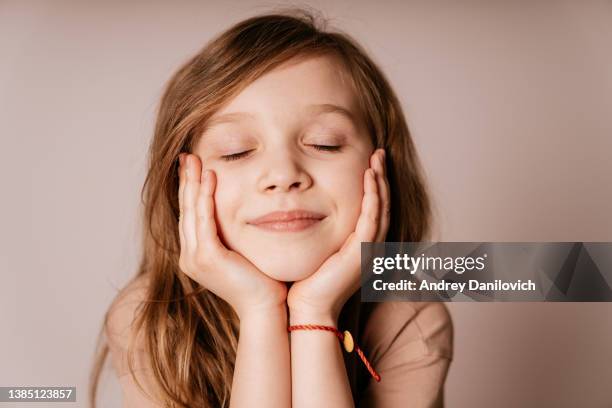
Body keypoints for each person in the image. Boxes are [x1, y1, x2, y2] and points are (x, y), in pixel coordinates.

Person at [89, 9, 453, 408]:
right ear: (181, 184)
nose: (283, 175)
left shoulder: (411, 316)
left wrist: (315, 311)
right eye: (236, 151)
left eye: (324, 143)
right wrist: (260, 310)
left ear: (382, 166)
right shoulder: (149, 318)